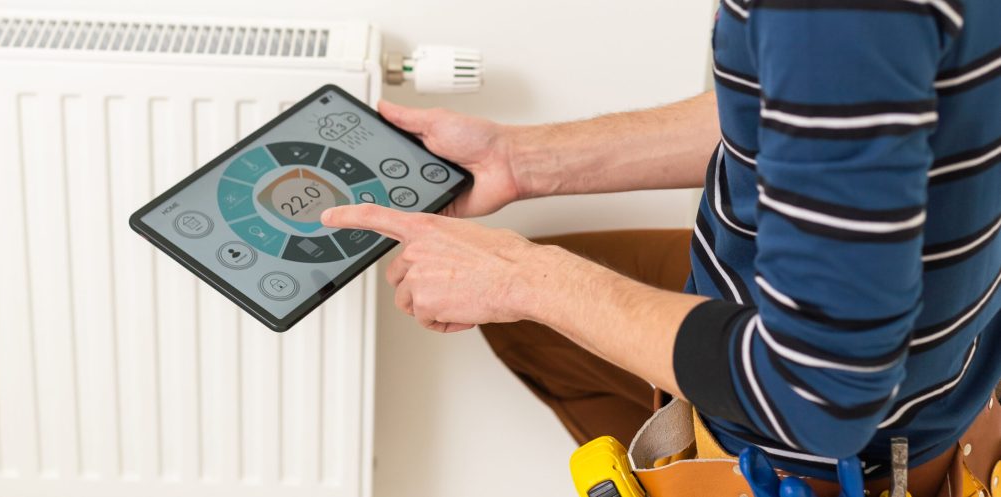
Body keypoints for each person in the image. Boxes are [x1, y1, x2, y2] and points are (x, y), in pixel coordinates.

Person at [321, 1, 1001, 496]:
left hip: (827, 444)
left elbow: (815, 391)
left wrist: (519, 277)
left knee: (534, 317)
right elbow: (810, 112)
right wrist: (522, 159)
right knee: (537, 338)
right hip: (938, 361)